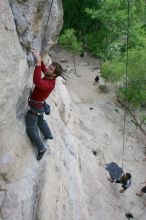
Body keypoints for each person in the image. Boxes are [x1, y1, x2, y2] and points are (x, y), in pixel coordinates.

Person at [25, 49, 62, 161]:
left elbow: (37, 81)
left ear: (54, 74)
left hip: (36, 107)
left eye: (50, 68)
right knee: (41, 121)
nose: (47, 68)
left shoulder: (47, 85)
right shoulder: (50, 77)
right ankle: (48, 135)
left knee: (31, 128)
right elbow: (44, 69)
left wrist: (37, 63)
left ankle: (42, 149)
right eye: (49, 66)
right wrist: (39, 59)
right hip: (40, 105)